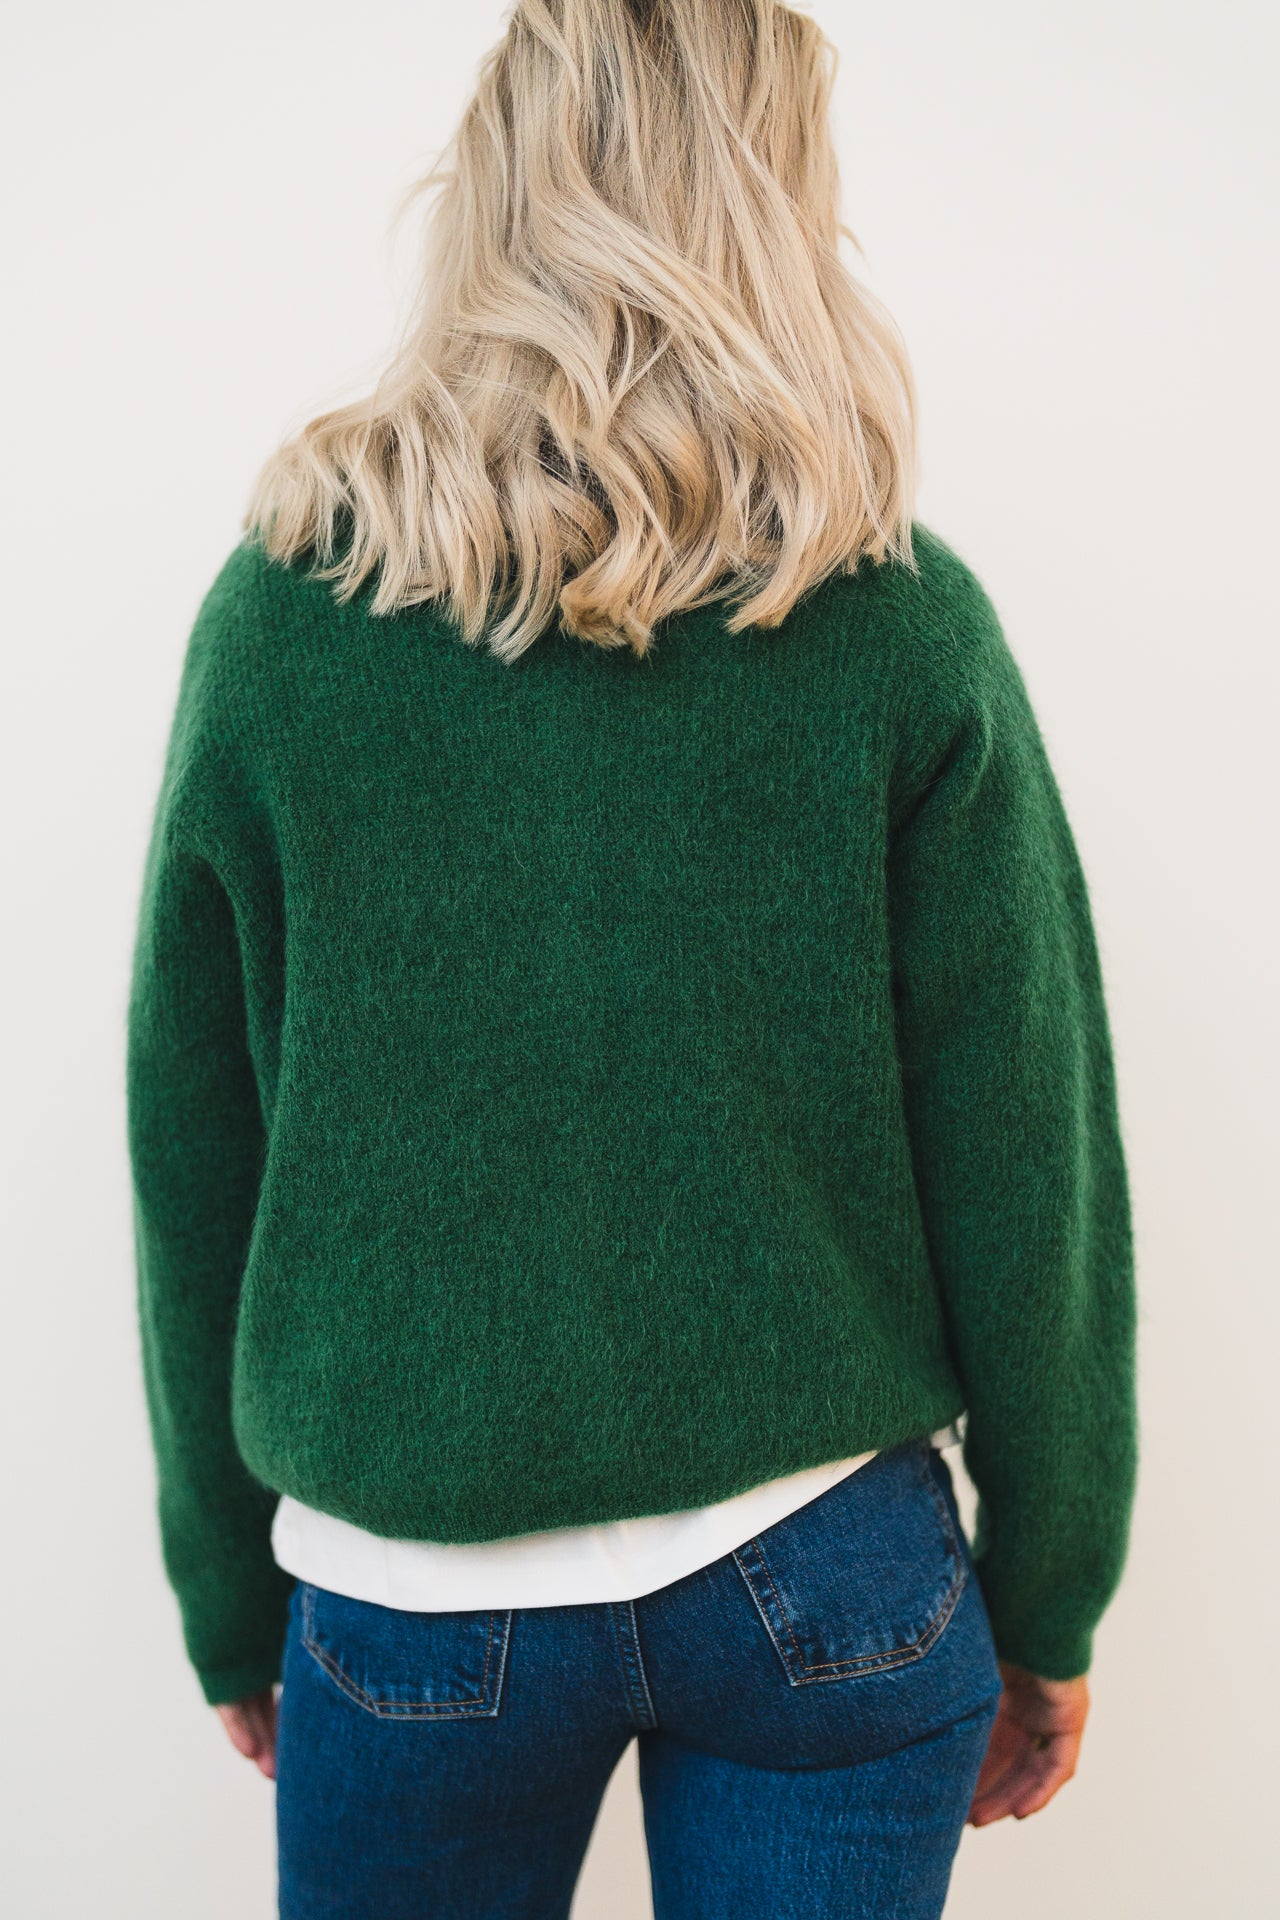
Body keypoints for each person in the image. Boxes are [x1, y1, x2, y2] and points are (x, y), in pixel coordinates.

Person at [126, 3, 1137, 1915]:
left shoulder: (281, 625)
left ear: (492, 195)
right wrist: (1053, 1584)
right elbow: (1031, 1157)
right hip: (826, 1572)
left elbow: (194, 1140)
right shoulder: (895, 624)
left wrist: (224, 1588)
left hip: (410, 1594)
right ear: (779, 205)